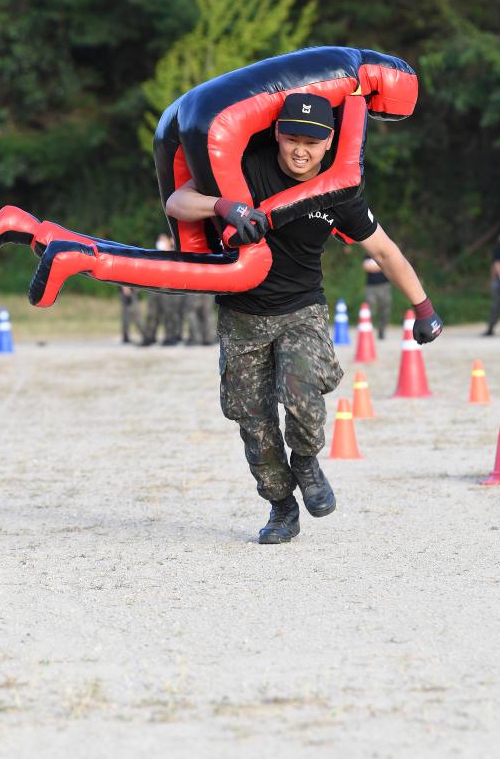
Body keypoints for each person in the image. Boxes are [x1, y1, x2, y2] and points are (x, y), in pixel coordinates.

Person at [166, 93, 442, 545]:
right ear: (276, 133)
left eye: (312, 142)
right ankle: (280, 507)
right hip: (243, 316)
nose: (300, 150)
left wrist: (423, 307)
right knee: (252, 421)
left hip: (302, 311)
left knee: (301, 391)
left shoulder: (339, 189)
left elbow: (384, 251)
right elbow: (178, 201)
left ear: (330, 141)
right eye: (292, 138)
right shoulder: (250, 168)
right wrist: (225, 206)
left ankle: (308, 461)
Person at [142, 234, 186, 346]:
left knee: (169, 314)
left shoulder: (173, 255)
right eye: (159, 240)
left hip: (168, 289)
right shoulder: (154, 255)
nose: (160, 243)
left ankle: (170, 336)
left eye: (163, 240)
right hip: (154, 288)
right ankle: (149, 336)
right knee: (152, 313)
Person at [363, 256, 392, 339]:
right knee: (370, 309)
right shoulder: (368, 254)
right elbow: (366, 267)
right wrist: (381, 266)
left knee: (384, 310)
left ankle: (381, 330)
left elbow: (389, 265)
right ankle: (367, 330)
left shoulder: (384, 252)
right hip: (371, 286)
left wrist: (375, 266)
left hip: (384, 286)